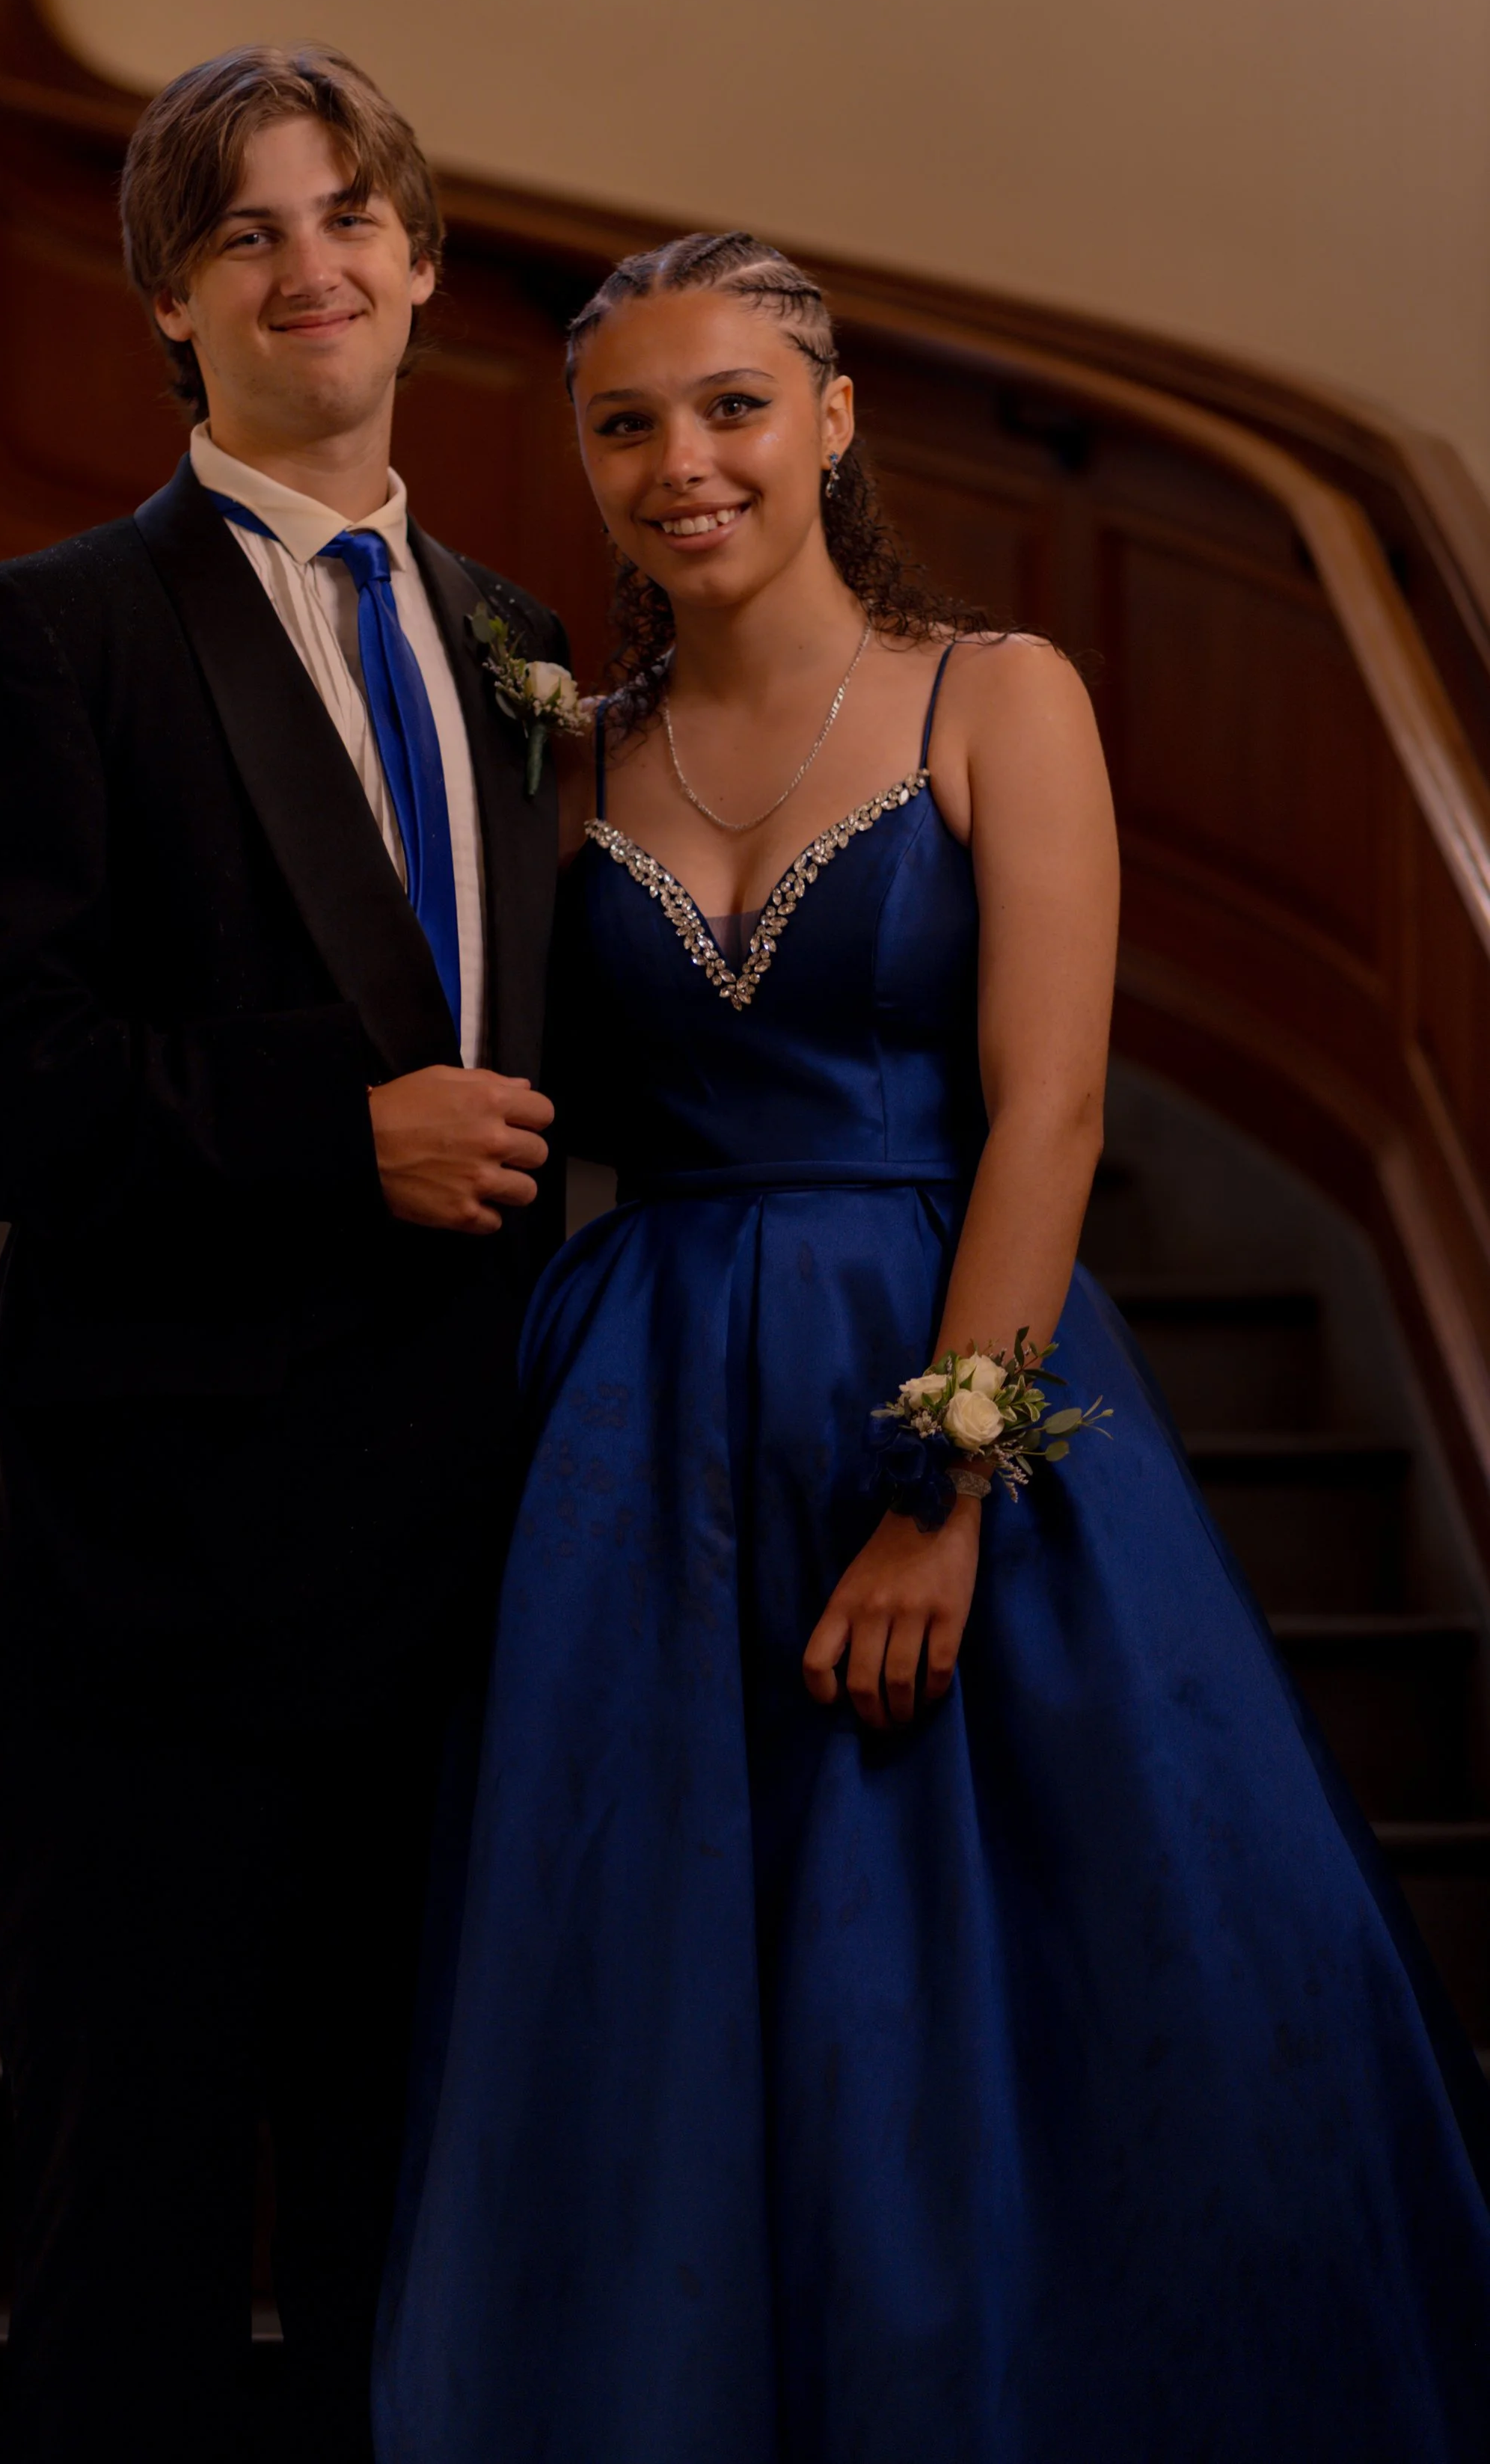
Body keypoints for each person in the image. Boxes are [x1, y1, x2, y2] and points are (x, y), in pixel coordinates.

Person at [375, 233, 1490, 2461]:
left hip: (930, 1359)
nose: (682, 462)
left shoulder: (999, 691)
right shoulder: (564, 760)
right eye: (624, 423)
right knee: (651, 1977)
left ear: (833, 419)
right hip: (639, 1434)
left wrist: (947, 1492)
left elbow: (1052, 1109)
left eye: (732, 406)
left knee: (992, 1976)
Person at [0, 43, 570, 2463]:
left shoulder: (517, 649)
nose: (310, 264)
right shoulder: (41, 632)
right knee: (137, 2267)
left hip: (458, 1601)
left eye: (350, 214)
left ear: (424, 267)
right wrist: (326, 1129)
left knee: (412, 2263)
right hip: (143, 1605)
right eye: (245, 230)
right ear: (168, 298)